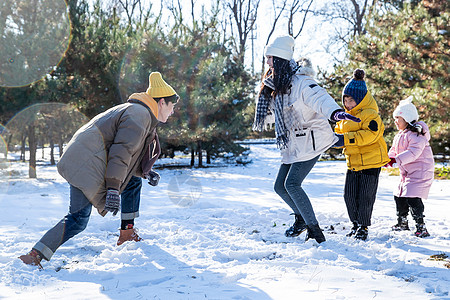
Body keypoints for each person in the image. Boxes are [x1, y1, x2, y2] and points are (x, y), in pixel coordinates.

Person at [19, 72, 179, 268]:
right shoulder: (139, 115)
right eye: (172, 107)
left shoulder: (141, 113)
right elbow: (121, 152)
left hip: (88, 160)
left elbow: (129, 156)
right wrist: (112, 188)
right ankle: (34, 255)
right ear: (161, 102)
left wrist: (145, 172)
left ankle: (127, 234)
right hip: (85, 163)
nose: (172, 112)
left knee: (133, 182)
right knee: (78, 219)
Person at [253, 35, 360, 244]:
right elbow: (277, 115)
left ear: (281, 59)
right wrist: (264, 101)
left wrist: (335, 113)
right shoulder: (279, 85)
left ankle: (315, 230)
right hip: (294, 143)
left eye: (270, 58)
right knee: (279, 187)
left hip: (312, 140)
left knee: (292, 184)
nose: (267, 62)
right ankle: (301, 218)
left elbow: (320, 99)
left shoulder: (302, 82)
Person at [333, 69, 390, 241]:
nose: (348, 104)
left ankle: (363, 227)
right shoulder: (345, 117)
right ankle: (355, 224)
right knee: (349, 196)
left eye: (351, 100)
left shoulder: (370, 114)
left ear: (361, 99)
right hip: (354, 163)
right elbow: (339, 134)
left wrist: (345, 140)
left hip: (371, 163)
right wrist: (332, 139)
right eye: (345, 100)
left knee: (365, 197)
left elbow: (370, 135)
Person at [385, 96, 434, 238]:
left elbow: (413, 152)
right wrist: (387, 159)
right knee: (398, 195)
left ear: (407, 119)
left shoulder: (417, 134)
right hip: (407, 172)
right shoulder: (400, 135)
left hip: (420, 171)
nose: (395, 121)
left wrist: (396, 160)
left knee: (413, 198)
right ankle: (402, 222)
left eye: (398, 119)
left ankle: (421, 226)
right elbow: (394, 150)